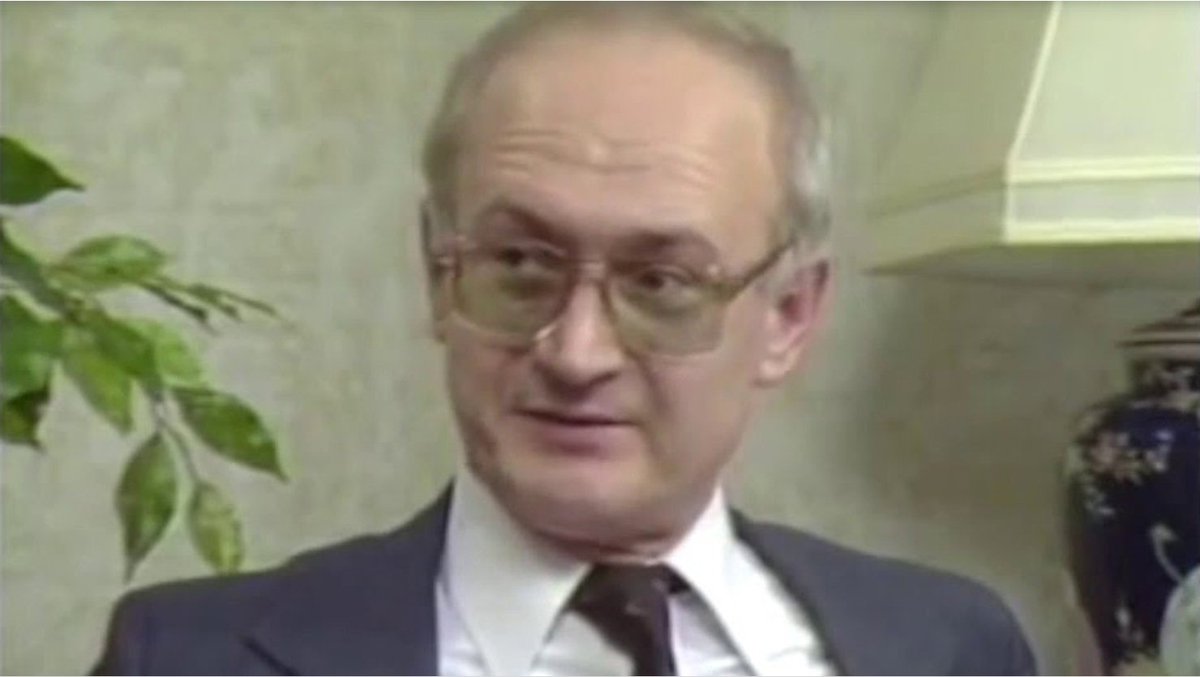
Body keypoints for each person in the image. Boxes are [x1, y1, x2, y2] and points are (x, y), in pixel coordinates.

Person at [93, 4, 1037, 675]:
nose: (577, 354)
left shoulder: (950, 645)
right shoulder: (183, 658)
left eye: (661, 282)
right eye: (520, 264)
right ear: (438, 273)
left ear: (788, 317)